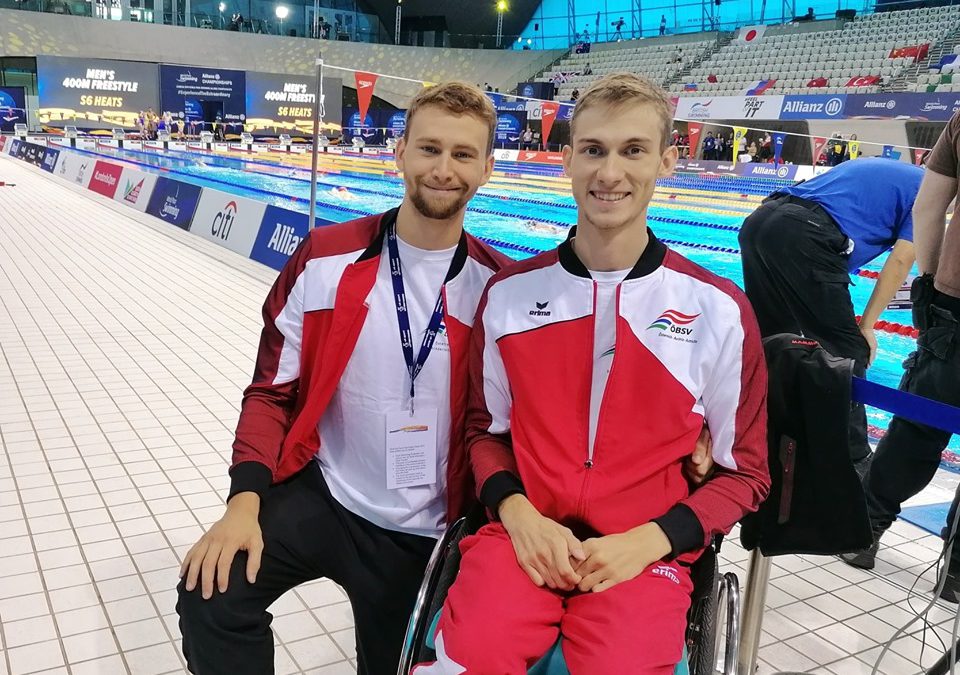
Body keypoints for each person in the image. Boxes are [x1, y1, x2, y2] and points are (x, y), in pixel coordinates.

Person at [414, 73, 770, 675]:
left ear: (667, 161)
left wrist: (653, 539)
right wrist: (518, 516)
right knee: (467, 656)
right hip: (520, 540)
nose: (610, 173)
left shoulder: (718, 311)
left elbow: (747, 474)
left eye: (633, 150)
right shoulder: (508, 296)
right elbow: (485, 433)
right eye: (594, 150)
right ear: (567, 160)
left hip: (643, 553)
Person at [174, 82, 513, 675]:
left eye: (463, 154)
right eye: (429, 148)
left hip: (429, 531)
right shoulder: (325, 257)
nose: (443, 168)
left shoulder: (500, 290)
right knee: (212, 592)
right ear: (400, 150)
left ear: (487, 166)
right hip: (325, 493)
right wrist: (244, 502)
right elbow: (271, 392)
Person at [739, 157, 923, 477]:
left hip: (760, 222)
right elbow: (901, 262)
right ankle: (854, 462)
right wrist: (865, 326)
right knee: (848, 352)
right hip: (806, 235)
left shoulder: (892, 171)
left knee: (774, 344)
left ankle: (760, 438)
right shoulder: (928, 191)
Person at [842, 111, 960, 591]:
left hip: (956, 305)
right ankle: (955, 573)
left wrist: (934, 283)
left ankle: (863, 530)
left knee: (917, 427)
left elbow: (930, 207)